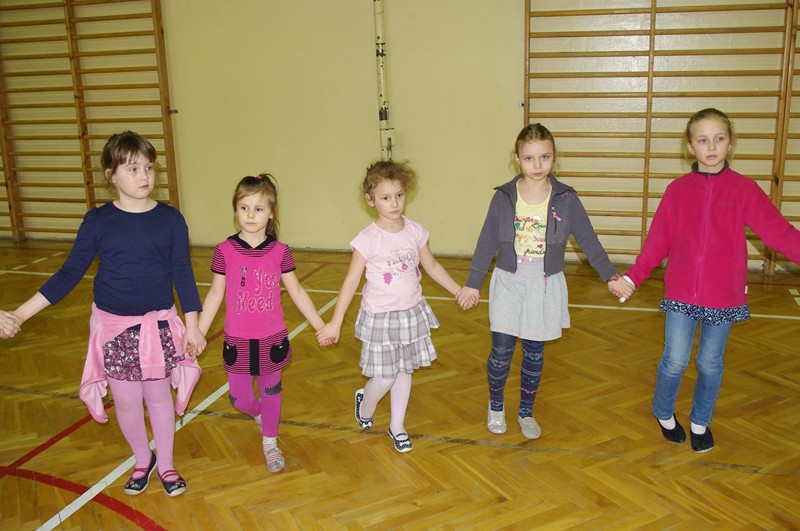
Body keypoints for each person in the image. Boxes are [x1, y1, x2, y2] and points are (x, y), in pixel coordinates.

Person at [1, 131, 207, 496]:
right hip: (115, 330)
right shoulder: (98, 221)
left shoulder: (171, 220)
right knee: (125, 402)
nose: (144, 176)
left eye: (149, 167)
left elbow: (183, 275)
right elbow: (68, 275)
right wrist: (19, 314)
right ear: (111, 175)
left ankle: (167, 463)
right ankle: (142, 459)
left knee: (158, 397)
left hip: (157, 327)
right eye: (133, 169)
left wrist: (193, 327)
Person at [623, 108, 800, 452]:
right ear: (691, 147)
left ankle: (700, 420)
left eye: (719, 139)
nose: (712, 146)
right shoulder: (677, 191)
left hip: (723, 296)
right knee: (674, 360)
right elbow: (657, 242)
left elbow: (778, 232)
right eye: (703, 140)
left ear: (730, 143)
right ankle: (663, 411)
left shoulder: (744, 189)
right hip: (681, 294)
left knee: (710, 363)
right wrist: (633, 278)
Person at [457, 123, 633, 440]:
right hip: (509, 282)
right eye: (529, 158)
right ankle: (496, 405)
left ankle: (526, 411)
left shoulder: (566, 199)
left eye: (544, 157)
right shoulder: (503, 197)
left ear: (554, 157)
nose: (537, 165)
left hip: (544, 285)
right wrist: (473, 282)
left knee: (534, 353)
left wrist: (611, 276)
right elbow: (486, 242)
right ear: (517, 159)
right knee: (501, 352)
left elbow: (588, 240)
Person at [316, 160, 464, 453]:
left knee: (404, 371)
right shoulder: (367, 239)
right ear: (370, 200)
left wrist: (457, 290)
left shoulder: (415, 230)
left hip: (411, 313)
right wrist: (335, 322)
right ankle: (365, 404)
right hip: (380, 318)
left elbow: (432, 266)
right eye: (385, 197)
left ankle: (397, 426)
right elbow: (350, 282)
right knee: (384, 377)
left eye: (399, 195)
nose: (394, 203)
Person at [197, 174, 331, 473]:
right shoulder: (224, 250)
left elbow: (297, 291)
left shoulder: (280, 251)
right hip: (238, 340)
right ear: (235, 210)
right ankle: (259, 415)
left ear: (271, 212)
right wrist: (199, 332)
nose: (250, 215)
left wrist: (319, 325)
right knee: (239, 398)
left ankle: (270, 440)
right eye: (244, 208)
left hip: (272, 338)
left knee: (272, 391)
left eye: (258, 209)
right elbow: (216, 293)